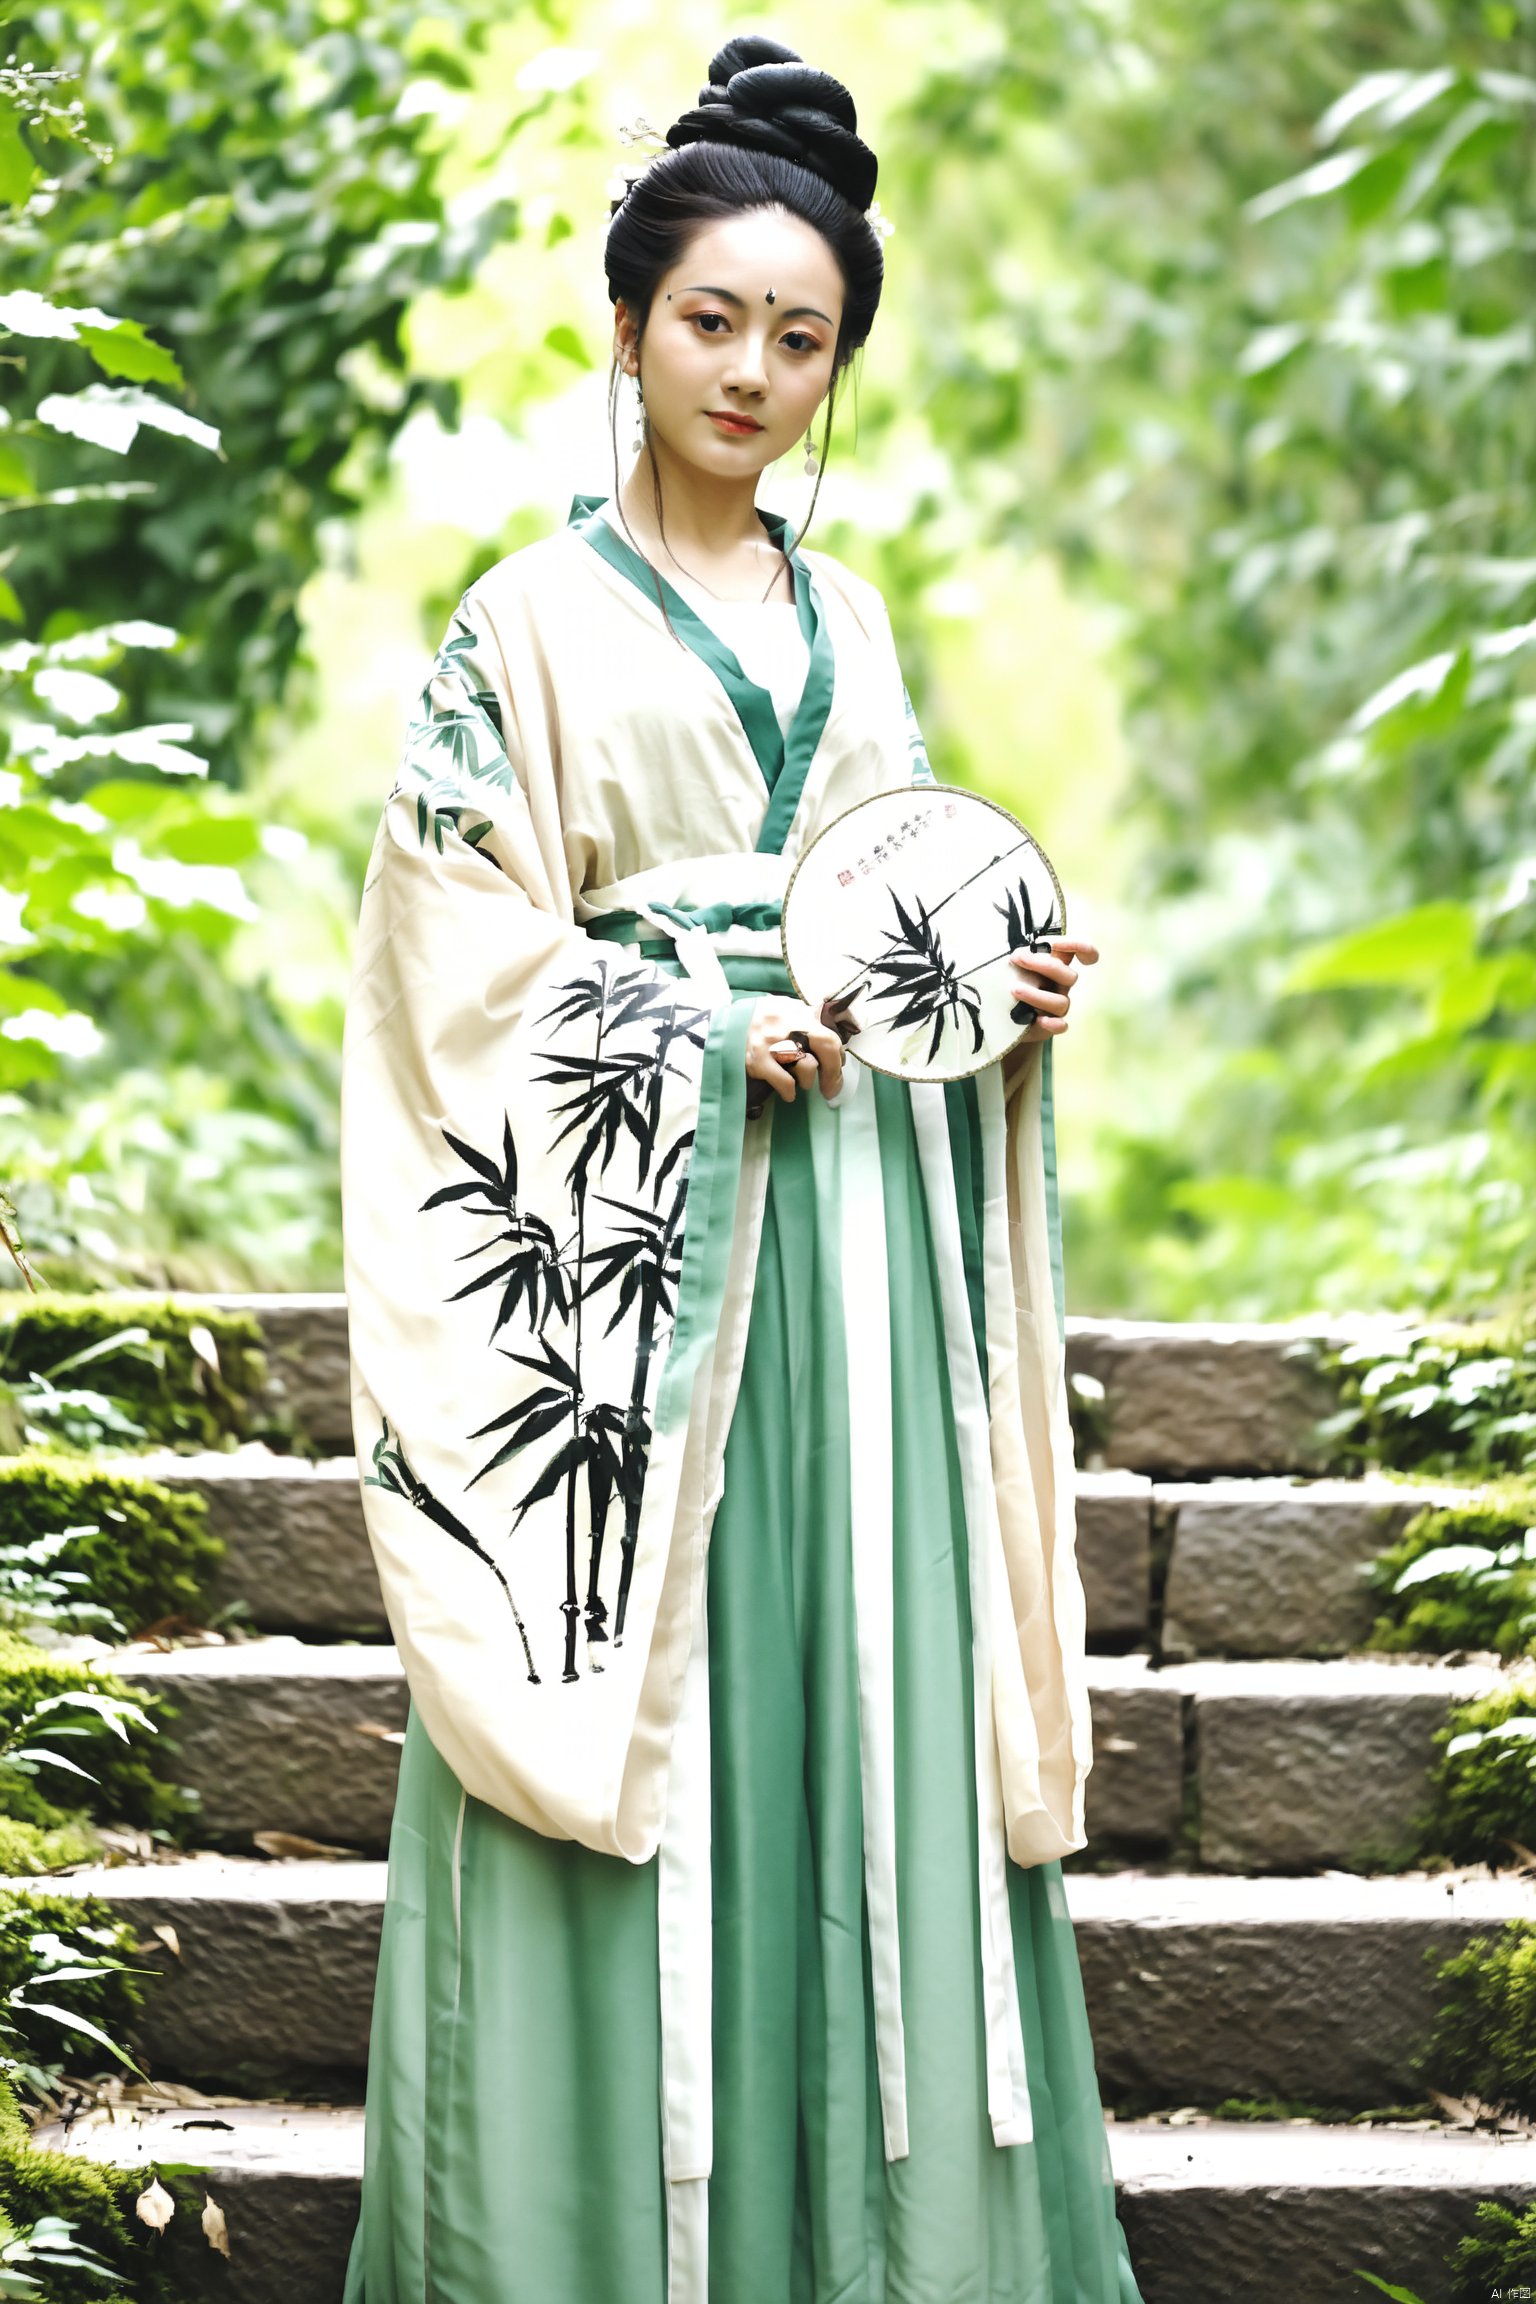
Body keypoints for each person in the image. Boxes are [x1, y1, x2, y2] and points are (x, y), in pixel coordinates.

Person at [339, 33, 1141, 2304]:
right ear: (625, 322)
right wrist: (690, 1025)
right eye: (713, 321)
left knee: (863, 1690)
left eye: (802, 339)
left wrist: (1010, 990)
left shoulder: (852, 621)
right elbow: (447, 955)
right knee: (639, 1682)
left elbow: (900, 899)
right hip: (647, 1257)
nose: (753, 371)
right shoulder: (524, 623)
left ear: (837, 365)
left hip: (863, 1244)